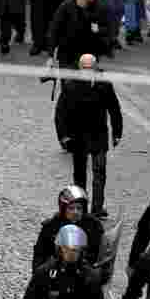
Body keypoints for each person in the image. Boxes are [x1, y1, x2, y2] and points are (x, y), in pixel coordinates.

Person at [57, 53, 122, 218]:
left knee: (99, 172)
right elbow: (61, 112)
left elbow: (114, 109)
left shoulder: (104, 85)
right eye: (84, 67)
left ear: (95, 67)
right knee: (79, 175)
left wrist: (117, 132)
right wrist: (63, 136)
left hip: (99, 135)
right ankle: (81, 206)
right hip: (78, 137)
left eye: (90, 67)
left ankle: (97, 207)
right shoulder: (70, 85)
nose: (87, 71)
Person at [32, 186, 106, 273]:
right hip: (56, 269)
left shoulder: (93, 225)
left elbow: (99, 255)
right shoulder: (51, 225)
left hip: (83, 271)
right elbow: (40, 253)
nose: (75, 212)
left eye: (79, 208)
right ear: (64, 209)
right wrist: (39, 273)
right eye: (71, 208)